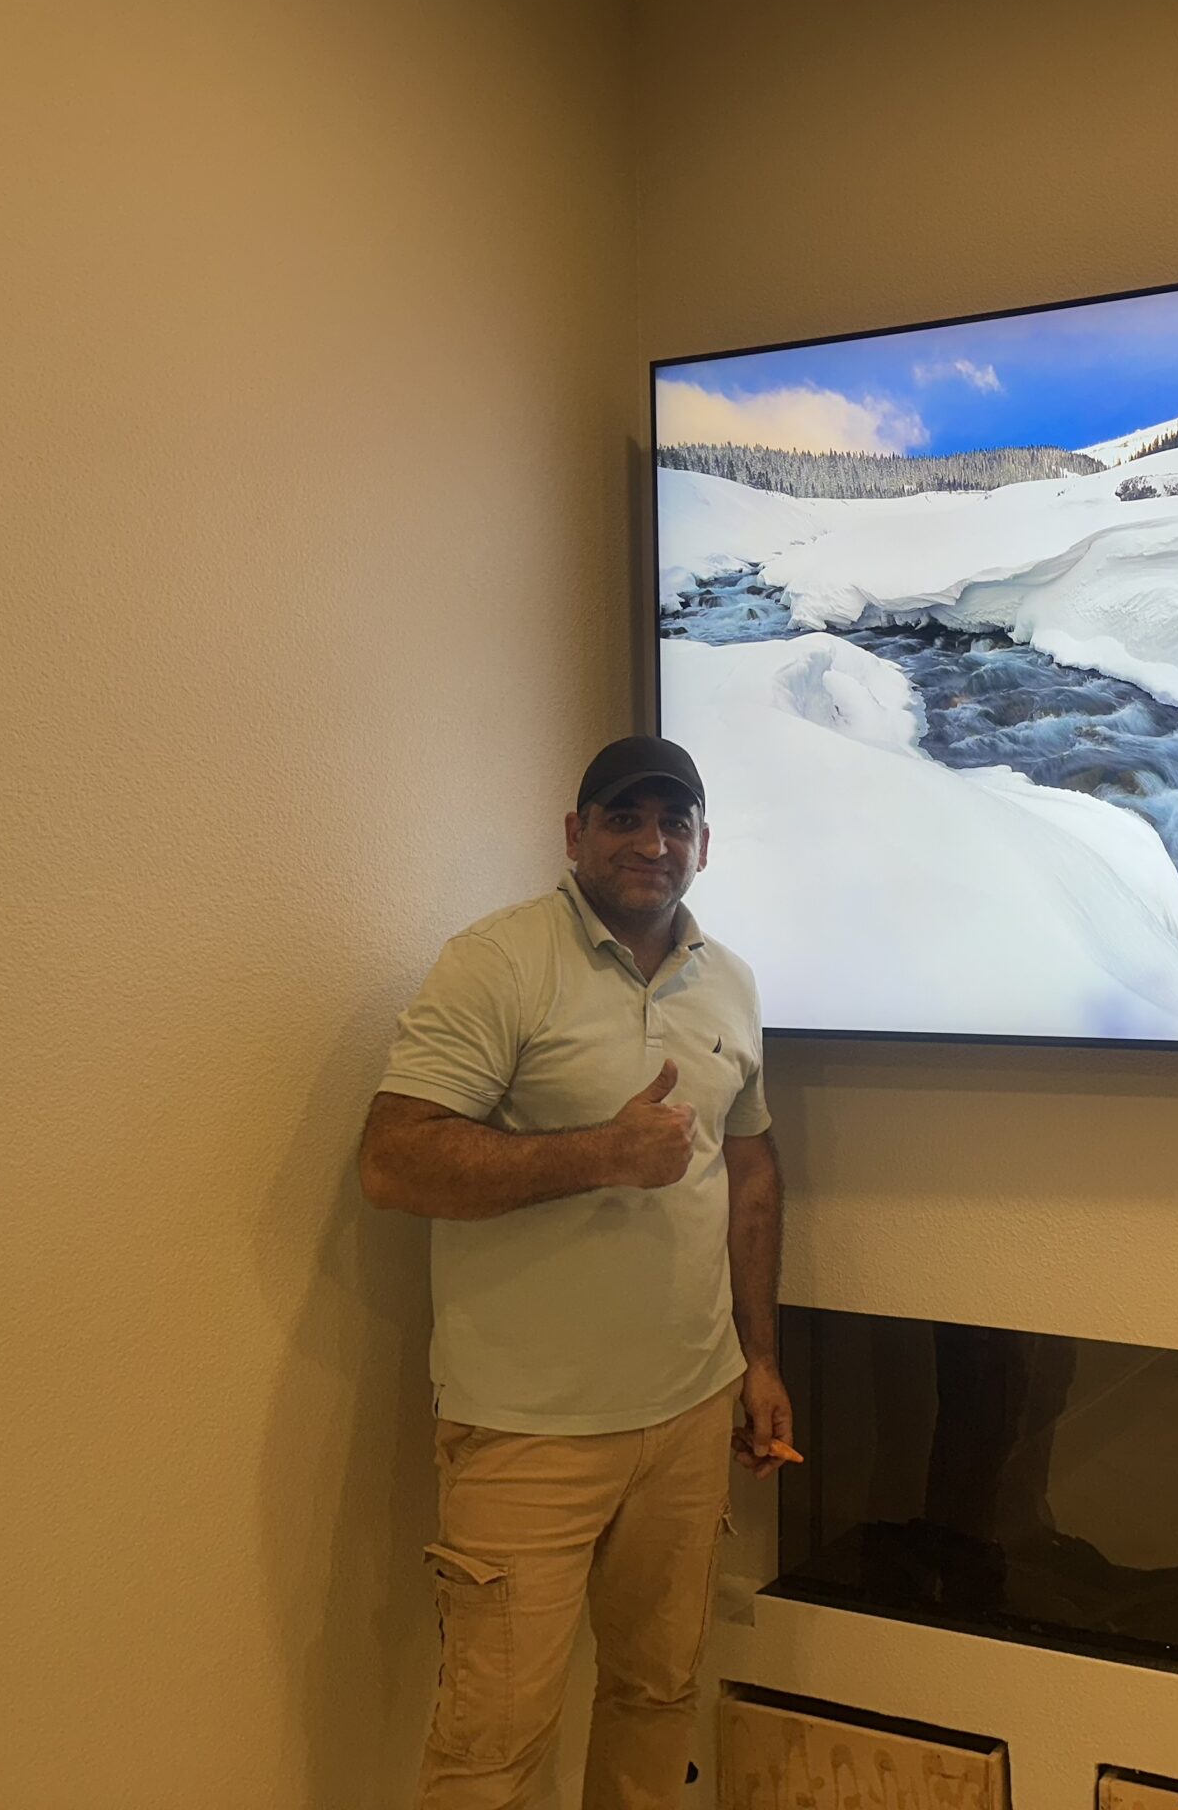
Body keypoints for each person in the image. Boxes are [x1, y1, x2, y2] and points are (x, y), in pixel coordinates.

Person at [358, 735, 793, 1810]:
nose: (652, 842)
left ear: (703, 845)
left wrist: (760, 1360)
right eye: (623, 817)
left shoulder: (731, 981)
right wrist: (600, 1154)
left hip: (689, 1415)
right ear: (575, 834)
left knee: (656, 1698)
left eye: (674, 822)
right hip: (527, 1433)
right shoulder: (498, 961)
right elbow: (393, 1160)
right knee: (492, 1750)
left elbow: (748, 1170)